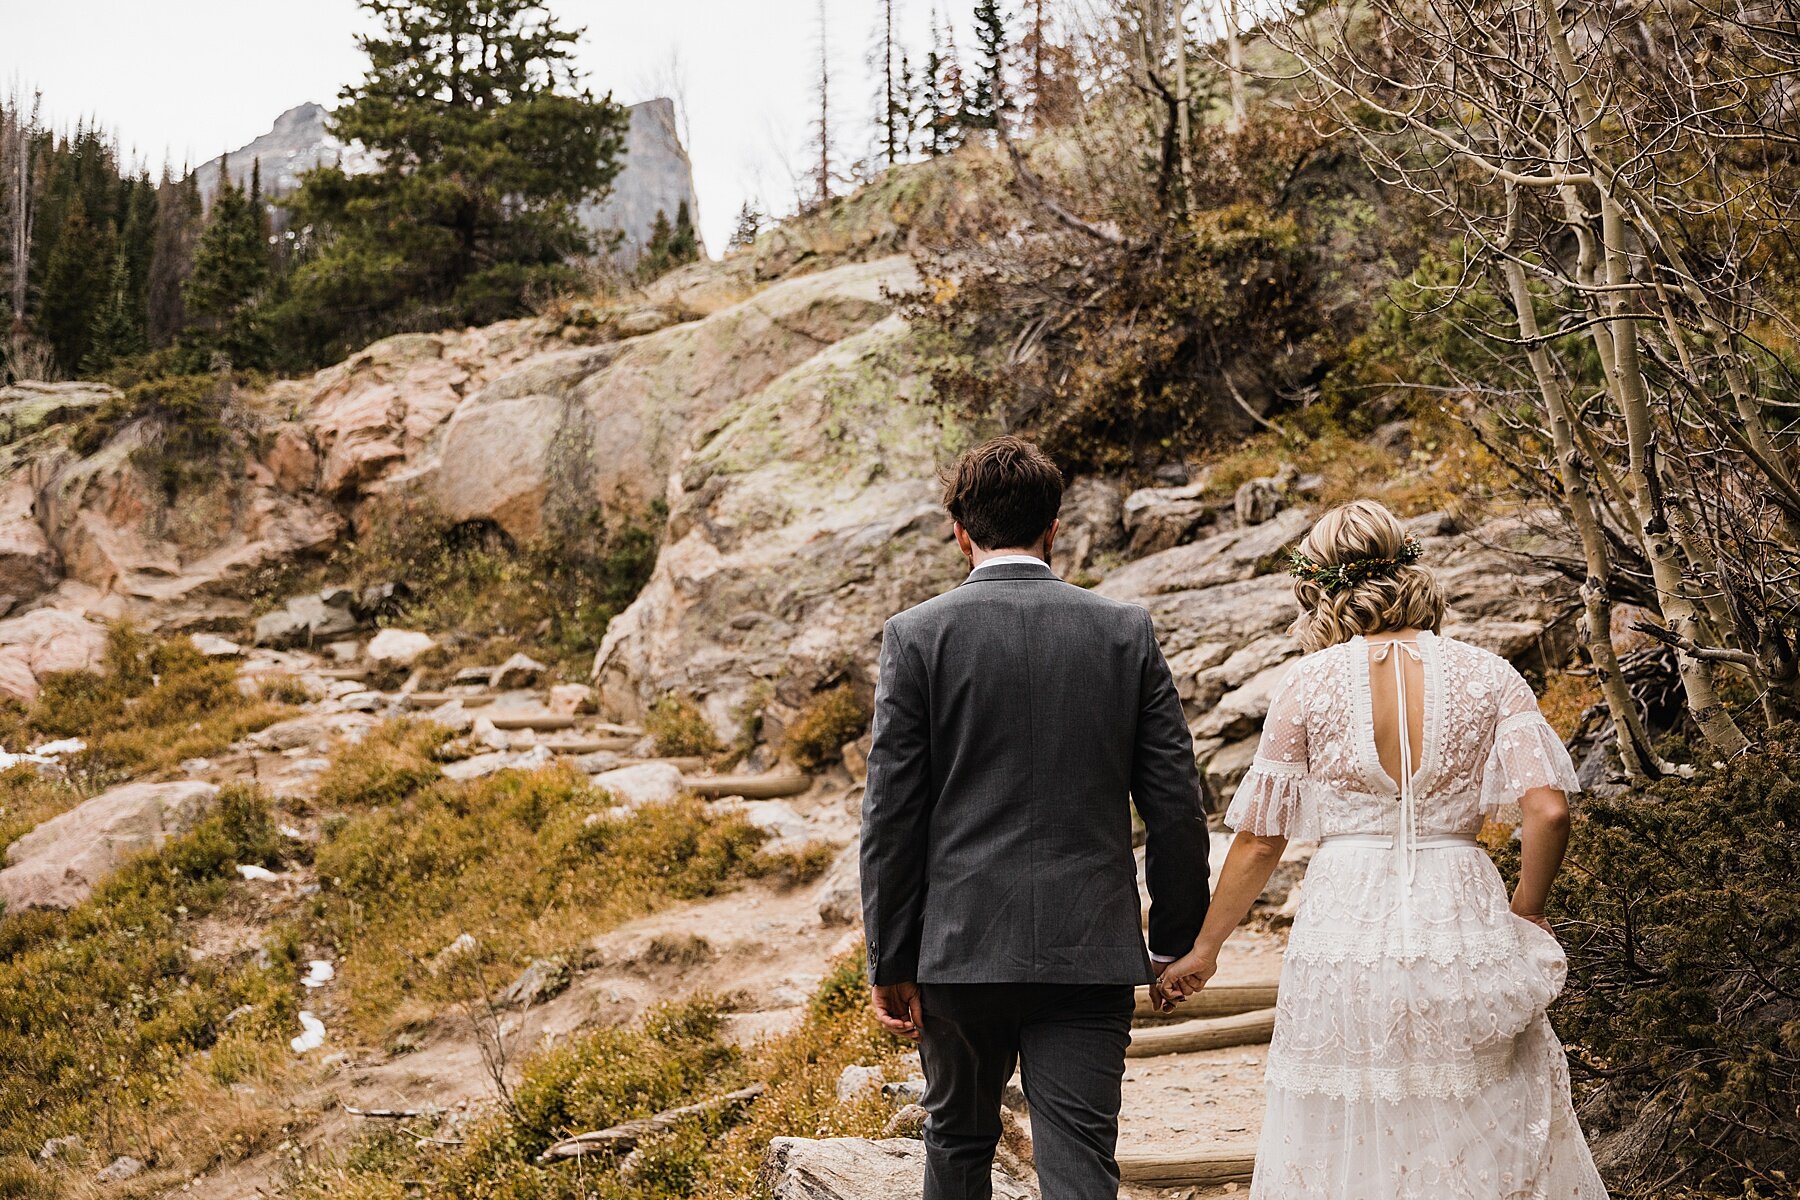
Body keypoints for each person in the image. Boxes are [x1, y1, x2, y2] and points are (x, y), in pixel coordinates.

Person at [1157, 499, 1609, 1199]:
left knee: (1350, 1102)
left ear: (1320, 583)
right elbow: (1548, 808)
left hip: (1345, 915)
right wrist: (1527, 908)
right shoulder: (1489, 675)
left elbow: (1259, 840)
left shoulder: (1306, 682)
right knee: (1474, 1099)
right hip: (1460, 905)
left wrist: (1207, 949)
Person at [860, 435, 1212, 1200]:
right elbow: (1175, 804)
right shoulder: (1125, 632)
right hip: (1088, 946)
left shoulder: (916, 636)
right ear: (1054, 528)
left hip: (957, 949)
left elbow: (891, 813)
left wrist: (890, 956)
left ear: (961, 533)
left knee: (956, 1144)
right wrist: (1174, 937)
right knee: (1082, 1161)